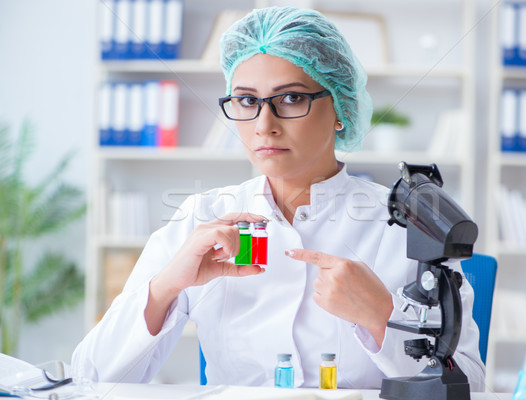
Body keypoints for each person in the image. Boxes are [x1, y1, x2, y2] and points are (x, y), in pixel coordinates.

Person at [72, 6, 485, 390]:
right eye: (247, 100)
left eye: (291, 98)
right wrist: (164, 289)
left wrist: (381, 317)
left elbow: (469, 384)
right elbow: (89, 379)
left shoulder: (410, 227)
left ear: (341, 106)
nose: (263, 125)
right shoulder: (202, 218)